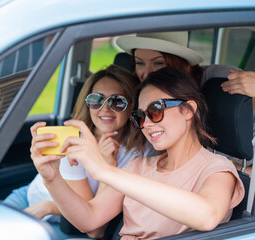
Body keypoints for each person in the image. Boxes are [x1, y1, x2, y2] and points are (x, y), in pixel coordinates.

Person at [30, 67, 245, 239]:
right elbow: (90, 219)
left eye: (155, 110)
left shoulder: (217, 170)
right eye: (141, 116)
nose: (147, 124)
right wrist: (52, 178)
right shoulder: (138, 167)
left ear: (188, 110)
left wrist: (104, 171)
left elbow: (206, 216)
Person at [3, 64, 155, 237]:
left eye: (117, 101)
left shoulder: (142, 151)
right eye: (96, 100)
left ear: (132, 108)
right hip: (29, 204)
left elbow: (95, 228)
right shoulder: (72, 142)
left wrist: (107, 165)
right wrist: (46, 206)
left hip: (62, 221)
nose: (105, 108)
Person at [115, 31, 255, 175]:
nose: (147, 72)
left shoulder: (216, 80)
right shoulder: (139, 100)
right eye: (140, 63)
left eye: (158, 62)